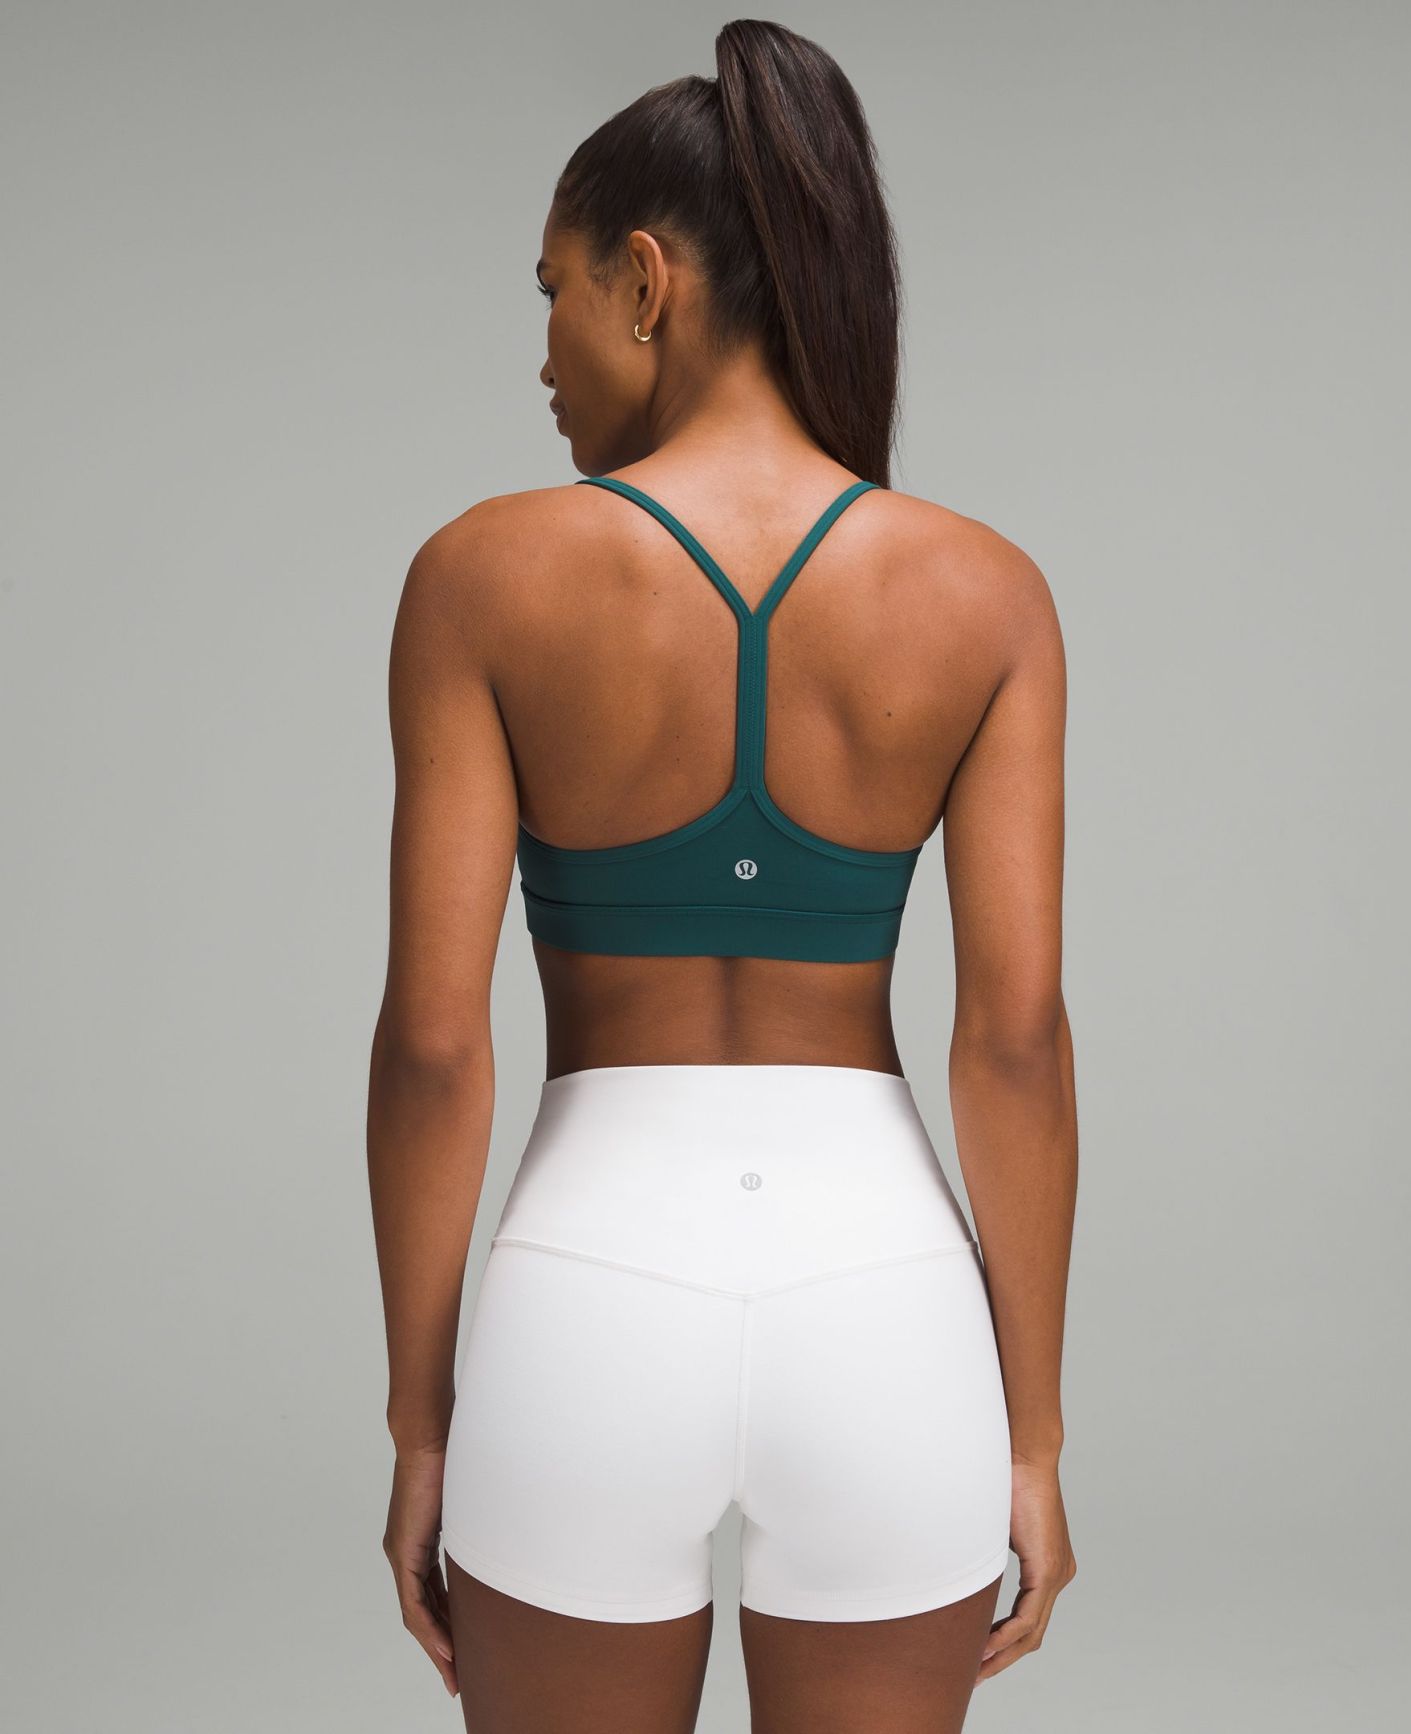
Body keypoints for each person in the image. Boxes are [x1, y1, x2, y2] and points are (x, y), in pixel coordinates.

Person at [367, 18, 1077, 1730]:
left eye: (551, 290)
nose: (542, 350)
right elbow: (1014, 1039)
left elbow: (436, 1046)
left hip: (584, 1296)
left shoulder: (480, 576)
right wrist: (1033, 1437)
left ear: (644, 280)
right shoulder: (983, 591)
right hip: (887, 1300)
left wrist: (420, 1424)